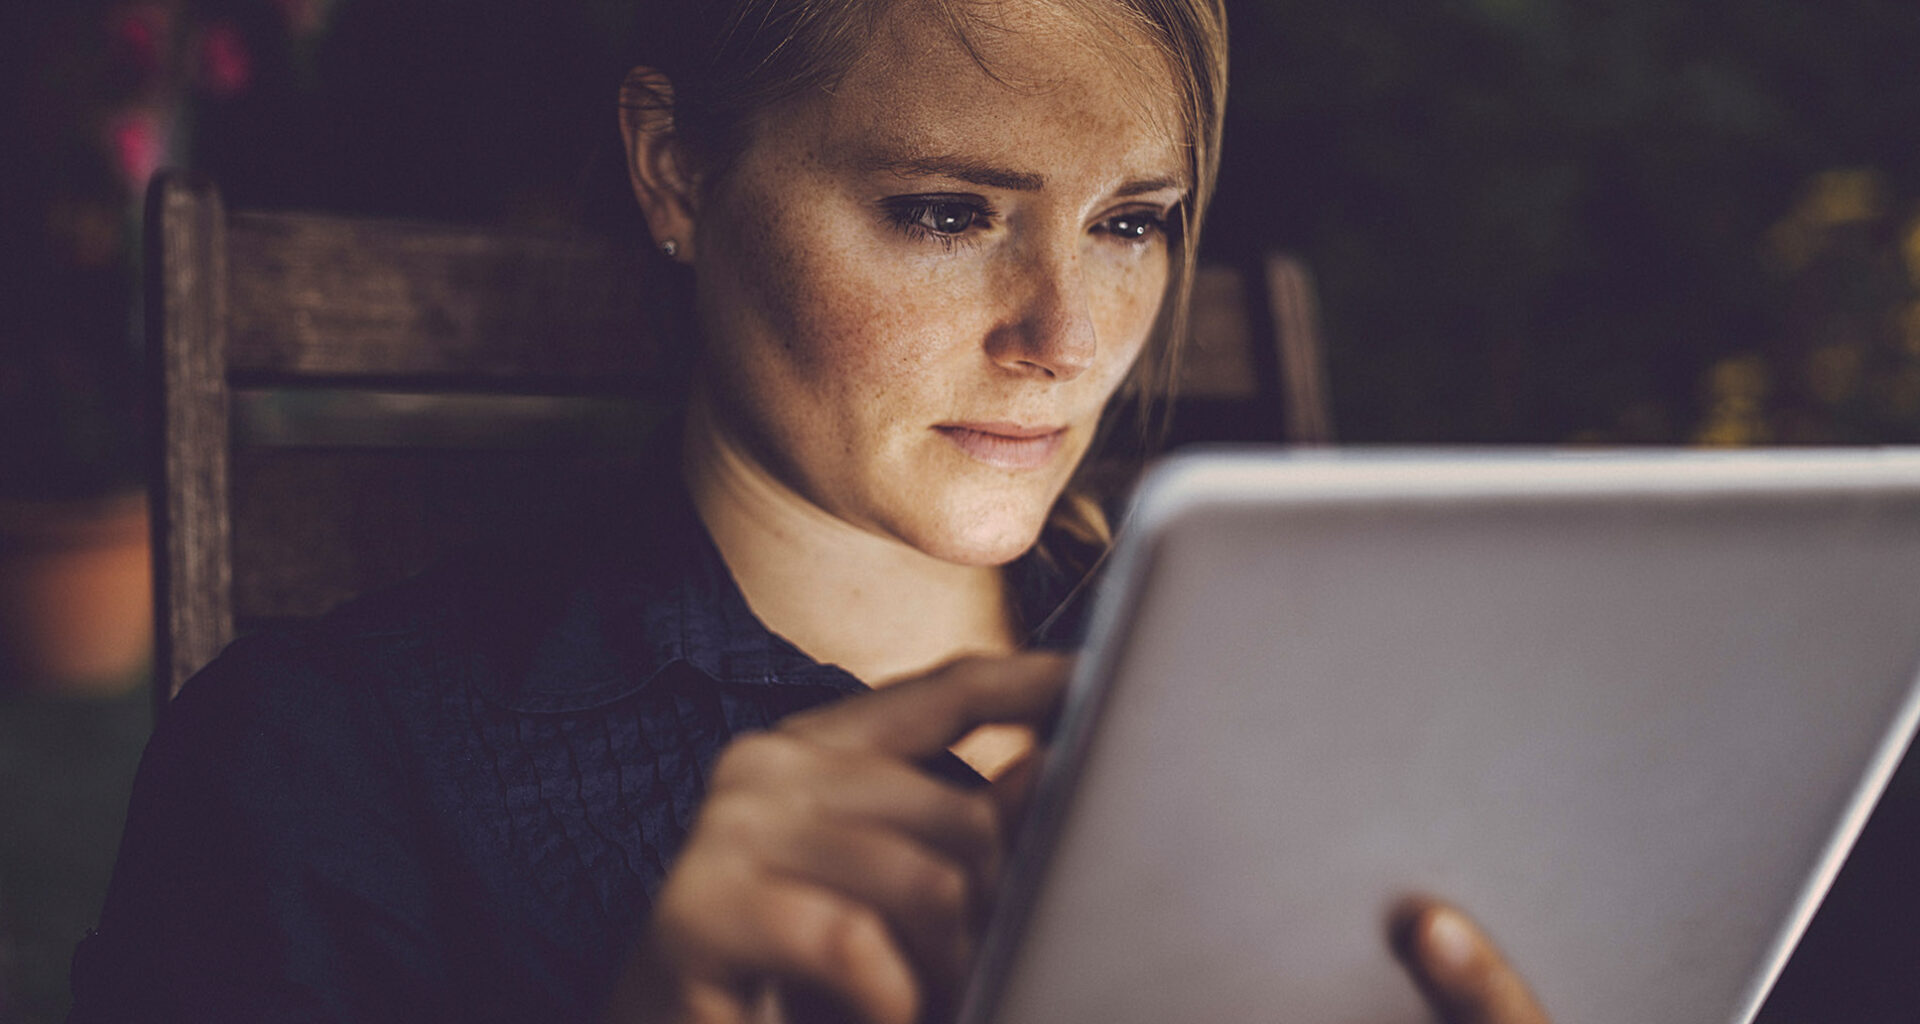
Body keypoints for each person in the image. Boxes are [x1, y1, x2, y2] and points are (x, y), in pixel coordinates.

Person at [70, 1, 1550, 1022]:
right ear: (677, 169)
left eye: (1130, 223)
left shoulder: (1314, 697)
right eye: (945, 211)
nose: (1067, 334)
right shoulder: (327, 773)